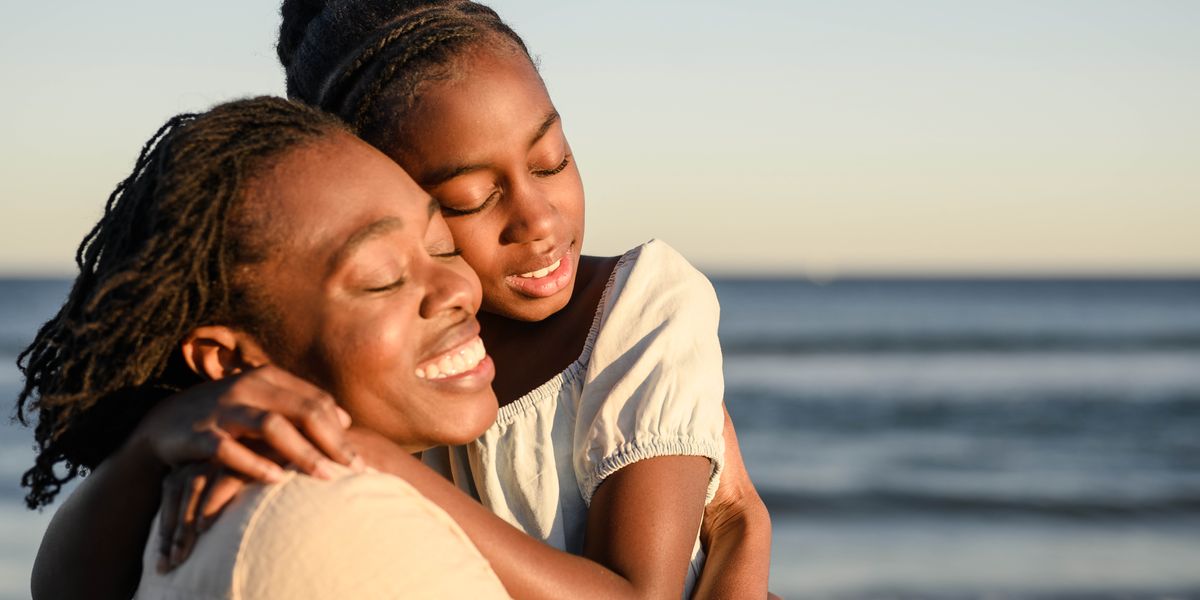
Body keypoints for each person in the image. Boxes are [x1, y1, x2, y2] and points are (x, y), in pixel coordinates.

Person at [31, 1, 772, 598]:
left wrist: (745, 534)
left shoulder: (631, 307)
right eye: (464, 203)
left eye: (554, 161)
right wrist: (157, 437)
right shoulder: (391, 363)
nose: (539, 222)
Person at [18, 97, 509, 598]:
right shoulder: (342, 529)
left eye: (442, 244)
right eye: (382, 279)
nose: (460, 289)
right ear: (231, 360)